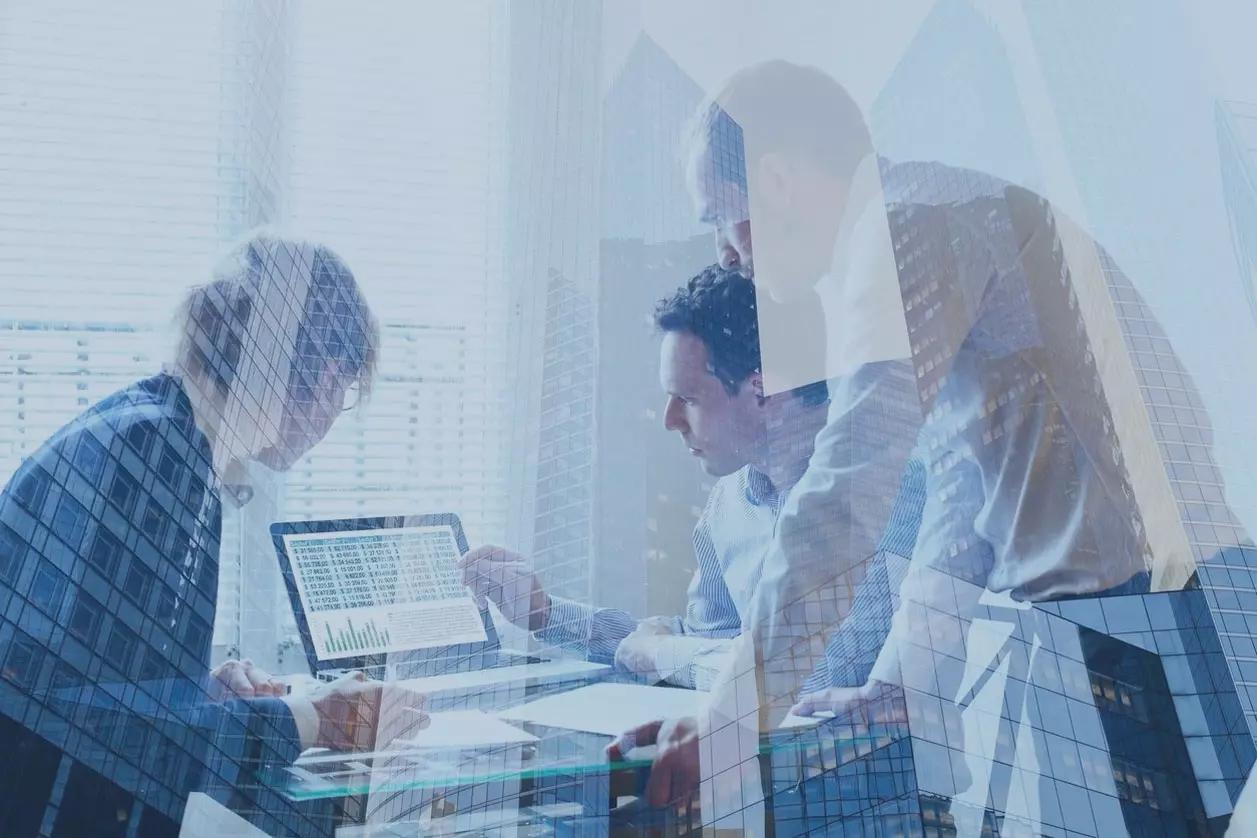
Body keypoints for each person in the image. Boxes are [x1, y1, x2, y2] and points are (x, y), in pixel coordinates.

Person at [608, 60, 1169, 835]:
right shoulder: (928, 216)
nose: (725, 252)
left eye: (718, 216)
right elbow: (966, 486)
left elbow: (845, 494)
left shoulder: (904, 230)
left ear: (773, 180)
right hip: (1123, 612)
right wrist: (901, 681)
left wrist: (733, 715)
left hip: (1134, 615)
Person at [0, 232, 425, 836]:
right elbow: (90, 723)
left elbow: (88, 672)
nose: (336, 409)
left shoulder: (150, 426)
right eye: (347, 389)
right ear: (329, 374)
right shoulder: (159, 454)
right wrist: (308, 718)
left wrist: (199, 687)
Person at [461, 265, 835, 689]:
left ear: (762, 392)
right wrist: (544, 613)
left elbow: (813, 675)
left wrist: (662, 652)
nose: (669, 419)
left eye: (688, 398)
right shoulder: (730, 502)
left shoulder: (874, 492)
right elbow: (703, 647)